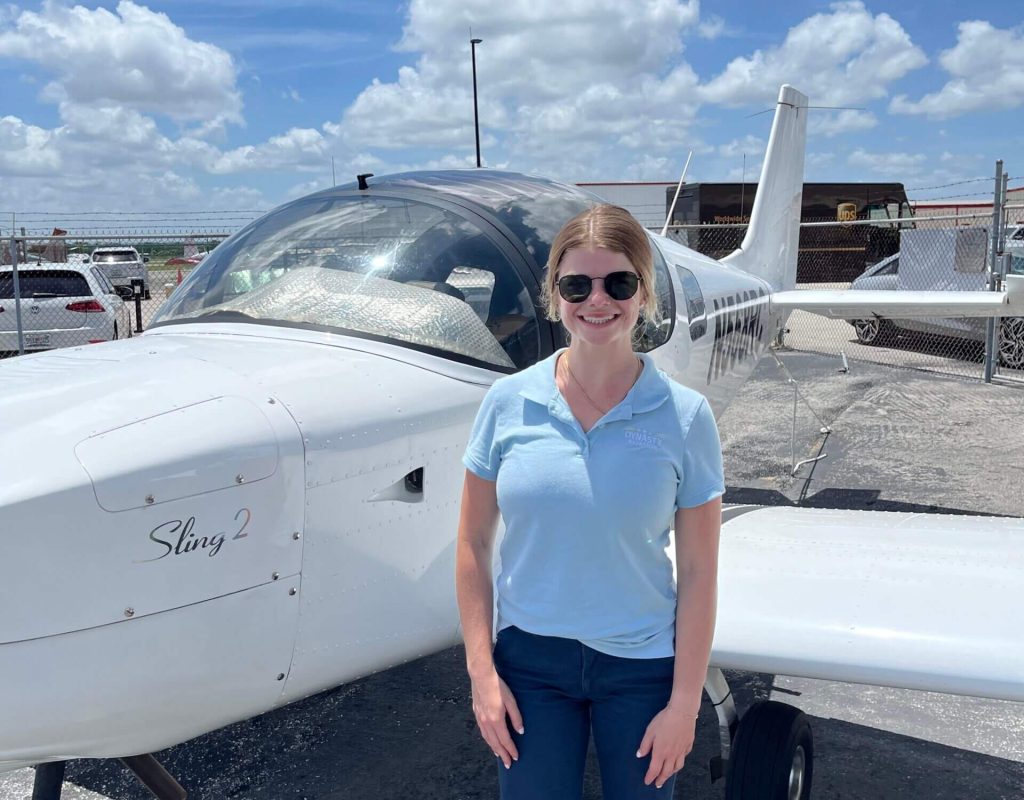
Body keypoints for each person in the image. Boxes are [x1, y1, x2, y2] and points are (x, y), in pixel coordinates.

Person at [456, 204, 724, 799]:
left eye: (618, 283)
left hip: (641, 667)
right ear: (555, 295)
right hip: (530, 665)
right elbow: (472, 542)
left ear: (644, 292)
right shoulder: (506, 403)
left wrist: (685, 705)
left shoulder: (685, 416)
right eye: (577, 285)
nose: (597, 300)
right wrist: (482, 674)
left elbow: (700, 571)